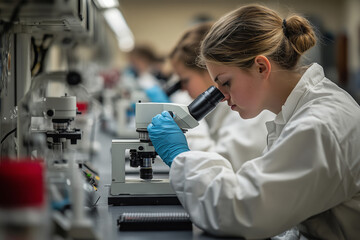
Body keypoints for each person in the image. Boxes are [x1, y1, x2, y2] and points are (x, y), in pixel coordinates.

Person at [147, 4, 360, 240]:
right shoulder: (296, 112)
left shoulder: (320, 125)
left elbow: (240, 211)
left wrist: (180, 156)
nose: (223, 96)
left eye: (225, 83)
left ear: (261, 67)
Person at [169, 22, 274, 170]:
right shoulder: (229, 106)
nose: (183, 89)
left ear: (207, 70)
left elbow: (223, 165)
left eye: (185, 80)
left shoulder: (250, 110)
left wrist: (187, 130)